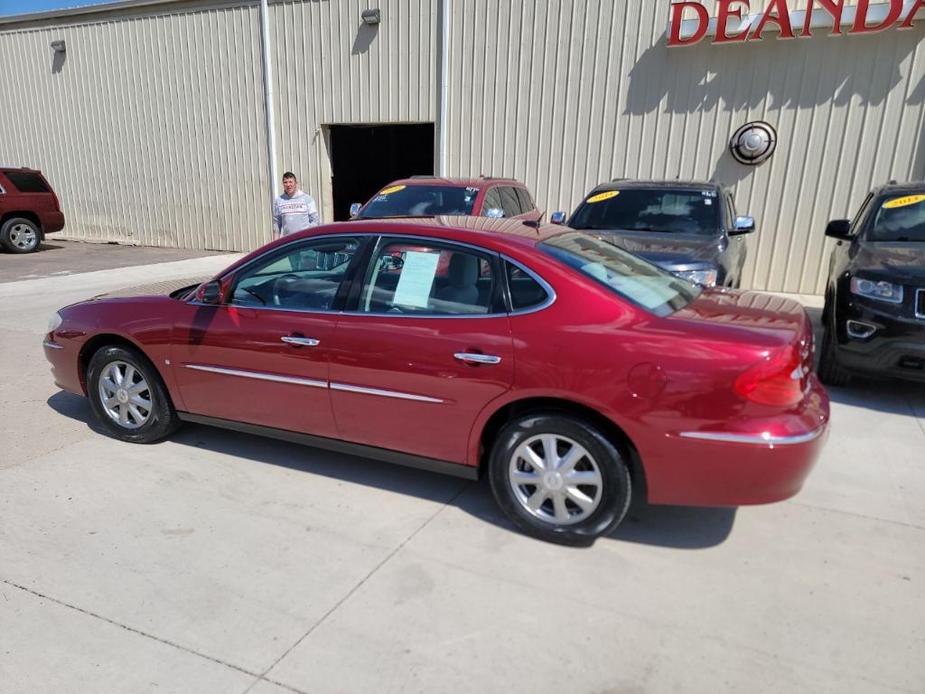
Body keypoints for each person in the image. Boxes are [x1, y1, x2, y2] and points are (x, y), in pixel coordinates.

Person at [272, 172, 320, 238]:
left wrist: (306, 233)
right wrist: (276, 244)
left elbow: (315, 221)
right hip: (289, 243)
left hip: (304, 241)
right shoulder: (279, 201)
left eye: (290, 182)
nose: (288, 185)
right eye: (285, 182)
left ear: (296, 183)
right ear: (283, 184)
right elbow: (276, 225)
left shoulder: (307, 199)